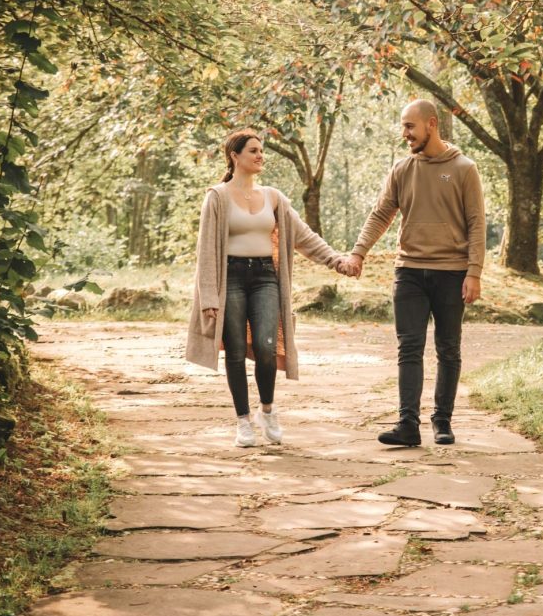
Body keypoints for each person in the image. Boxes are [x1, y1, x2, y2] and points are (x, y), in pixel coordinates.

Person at [186, 129, 347, 447]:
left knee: (266, 347)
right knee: (234, 351)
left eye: (262, 151)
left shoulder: (274, 198)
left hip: (265, 278)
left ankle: (267, 411)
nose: (261, 156)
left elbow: (304, 236)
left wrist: (337, 261)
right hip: (229, 278)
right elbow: (206, 250)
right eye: (253, 151)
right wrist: (208, 296)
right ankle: (243, 422)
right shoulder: (217, 197)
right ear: (235, 156)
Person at [343, 99, 486, 447]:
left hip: (452, 273)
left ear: (431, 124)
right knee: (409, 348)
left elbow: (476, 223)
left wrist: (474, 272)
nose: (404, 134)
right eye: (403, 126)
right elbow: (381, 215)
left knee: (448, 349)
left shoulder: (464, 168)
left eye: (410, 126)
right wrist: (359, 252)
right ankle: (408, 424)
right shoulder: (402, 169)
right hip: (409, 271)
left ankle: (443, 420)